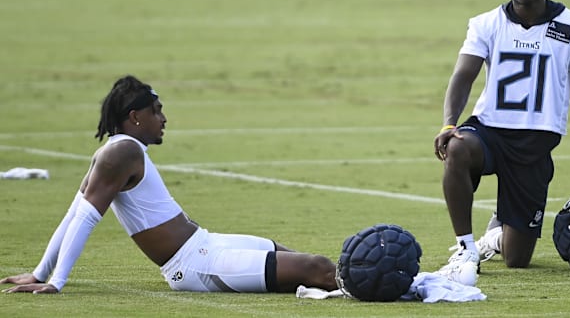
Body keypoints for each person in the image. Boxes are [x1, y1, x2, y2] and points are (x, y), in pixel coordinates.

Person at [0, 75, 337, 294]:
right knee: (317, 268)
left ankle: (381, 280)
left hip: (207, 244)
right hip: (195, 266)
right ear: (135, 117)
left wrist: (40, 272)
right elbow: (84, 219)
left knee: (297, 259)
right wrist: (55, 282)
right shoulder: (122, 154)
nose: (163, 119)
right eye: (156, 111)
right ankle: (387, 284)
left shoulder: (114, 151)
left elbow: (72, 214)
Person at [433, 0, 570, 286]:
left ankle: (495, 234)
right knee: (456, 148)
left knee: (517, 260)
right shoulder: (486, 23)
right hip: (488, 131)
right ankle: (466, 248)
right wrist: (449, 123)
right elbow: (463, 76)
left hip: (534, 144)